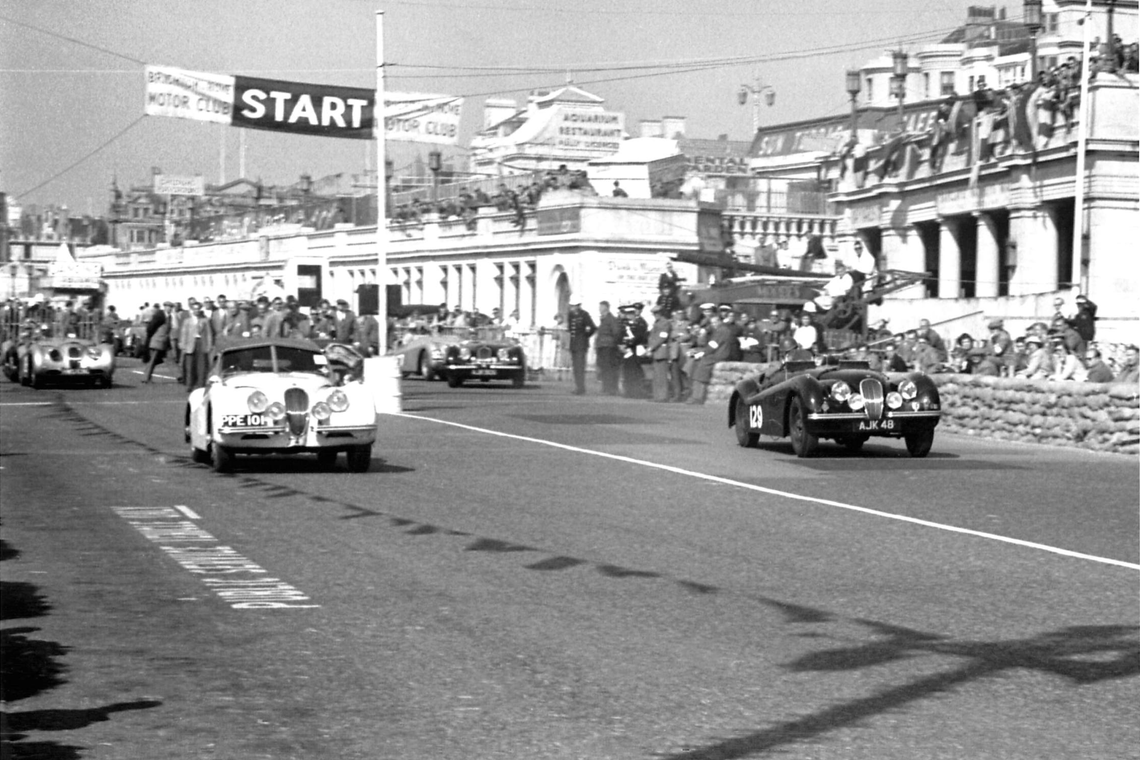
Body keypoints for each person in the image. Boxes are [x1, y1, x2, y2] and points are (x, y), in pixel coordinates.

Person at [179, 300, 215, 391]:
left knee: (201, 365)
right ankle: (189, 385)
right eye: (195, 309)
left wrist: (209, 345)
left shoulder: (205, 320)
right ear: (192, 310)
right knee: (189, 366)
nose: (197, 311)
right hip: (190, 345)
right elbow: (184, 333)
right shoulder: (187, 321)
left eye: (198, 309)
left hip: (201, 343)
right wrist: (182, 344)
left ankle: (201, 384)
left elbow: (209, 334)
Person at [565, 301, 596, 395]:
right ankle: (578, 386)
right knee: (575, 367)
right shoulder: (571, 315)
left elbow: (593, 327)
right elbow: (570, 328)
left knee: (580, 367)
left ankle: (581, 388)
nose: (572, 307)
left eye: (574, 306)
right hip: (574, 344)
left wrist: (586, 336)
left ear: (578, 306)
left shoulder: (584, 315)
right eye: (572, 306)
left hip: (581, 344)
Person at [618, 303, 648, 398]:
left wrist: (627, 344)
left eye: (630, 314)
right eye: (627, 314)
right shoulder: (624, 324)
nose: (628, 316)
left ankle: (636, 392)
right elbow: (620, 335)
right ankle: (628, 391)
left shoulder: (639, 324)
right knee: (627, 371)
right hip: (627, 351)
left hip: (635, 350)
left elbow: (639, 337)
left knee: (635, 372)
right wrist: (621, 345)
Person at [645, 306, 673, 402]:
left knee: (661, 376)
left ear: (661, 313)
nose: (655, 315)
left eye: (657, 313)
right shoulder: (657, 322)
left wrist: (651, 348)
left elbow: (662, 337)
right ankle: (657, 395)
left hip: (661, 351)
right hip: (656, 351)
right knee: (657, 375)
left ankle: (663, 396)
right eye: (654, 314)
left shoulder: (665, 323)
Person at [594, 301, 622, 395]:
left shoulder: (611, 319)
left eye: (601, 307)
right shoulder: (603, 319)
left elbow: (616, 332)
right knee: (604, 368)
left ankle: (610, 389)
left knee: (609, 369)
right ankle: (606, 388)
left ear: (606, 307)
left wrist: (613, 342)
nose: (599, 309)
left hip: (608, 347)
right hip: (602, 346)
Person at [141, 301, 172, 384]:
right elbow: (151, 327)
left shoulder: (168, 316)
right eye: (168, 307)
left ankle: (146, 377)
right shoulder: (160, 315)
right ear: (164, 307)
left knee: (155, 360)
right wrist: (151, 336)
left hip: (162, 341)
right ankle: (146, 378)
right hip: (157, 341)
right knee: (153, 359)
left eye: (171, 307)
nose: (170, 309)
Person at [667, 307, 694, 402]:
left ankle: (686, 393)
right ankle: (676, 394)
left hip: (684, 351)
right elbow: (669, 334)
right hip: (674, 352)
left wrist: (680, 337)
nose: (680, 316)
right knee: (675, 374)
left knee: (685, 372)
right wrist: (680, 334)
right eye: (678, 314)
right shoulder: (671, 324)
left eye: (682, 314)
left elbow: (691, 334)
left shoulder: (688, 324)